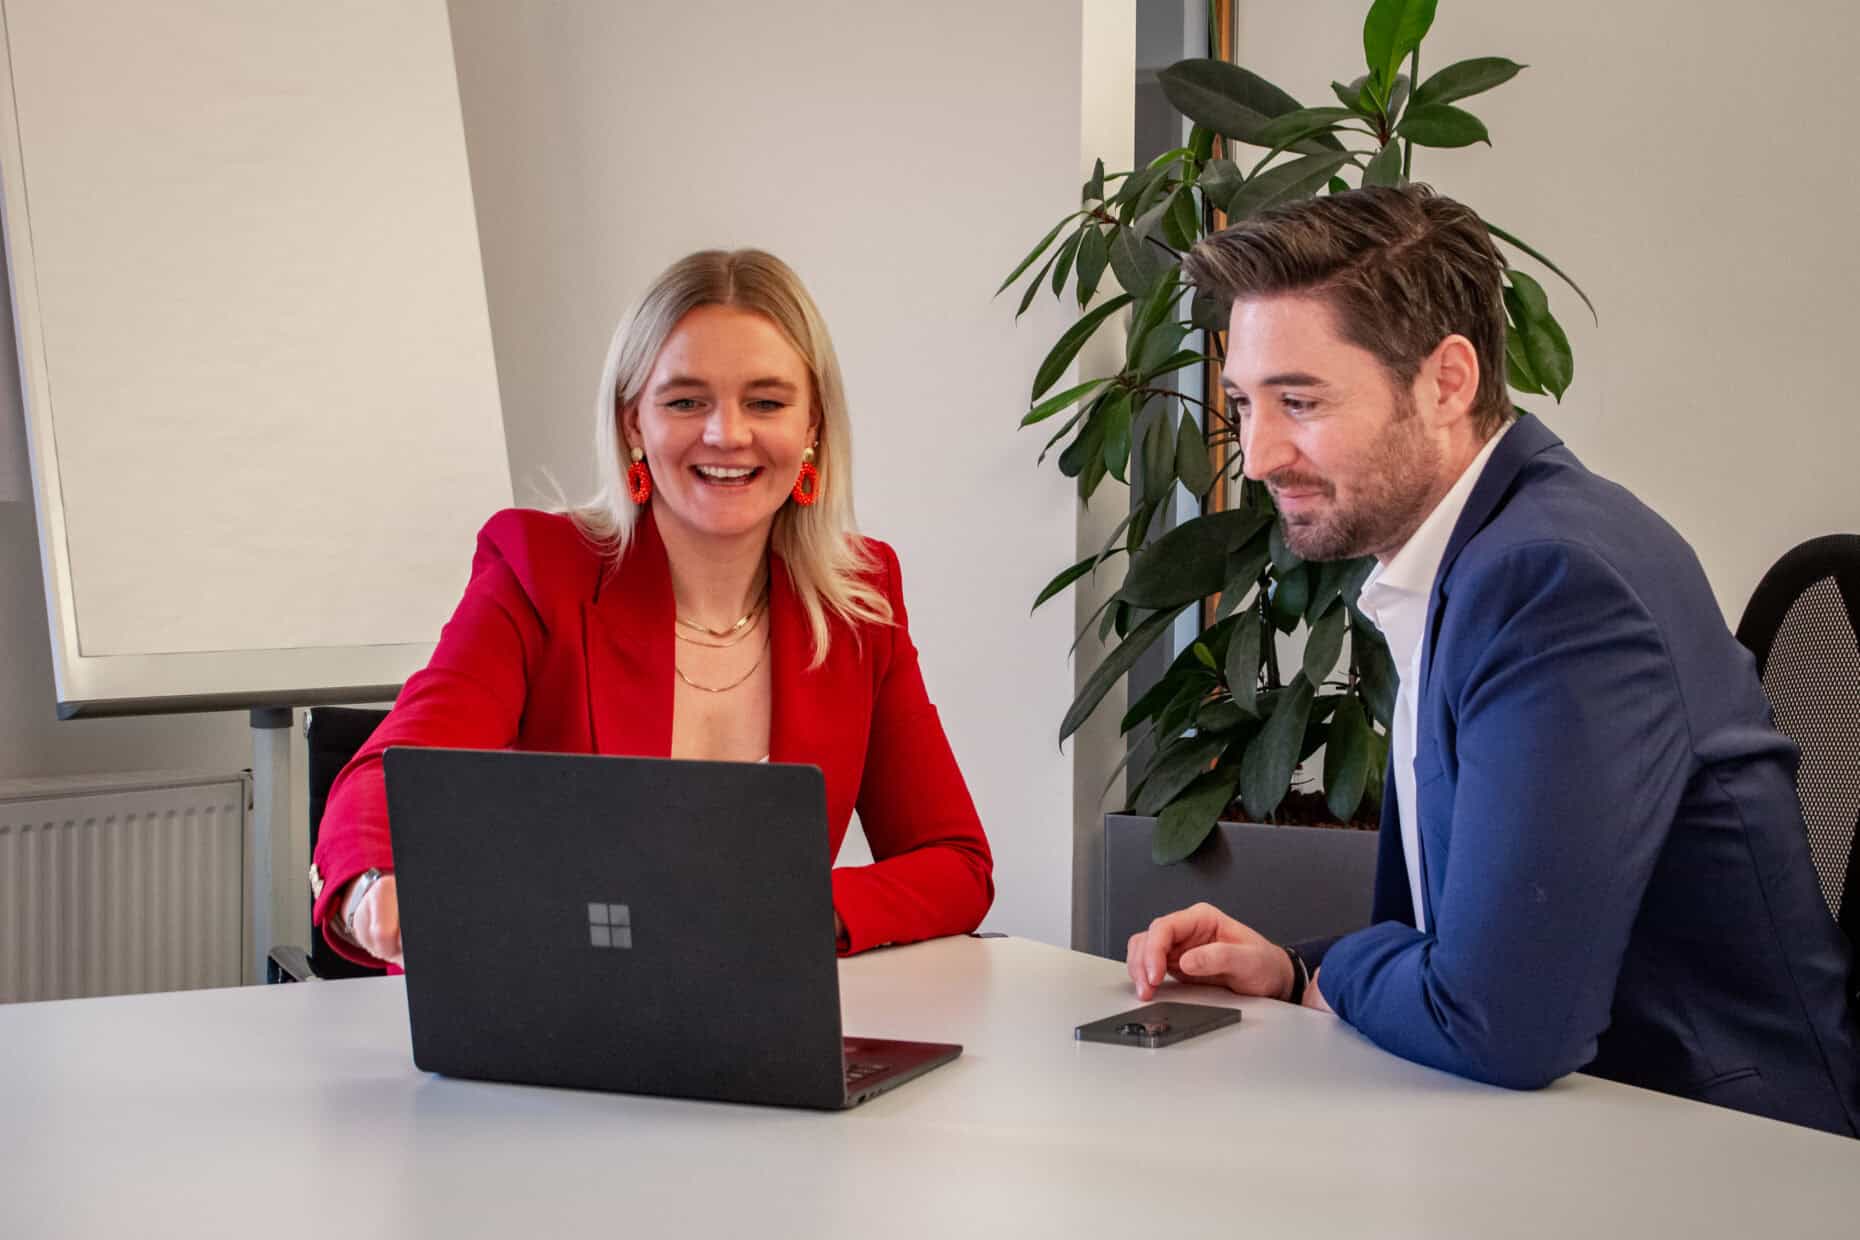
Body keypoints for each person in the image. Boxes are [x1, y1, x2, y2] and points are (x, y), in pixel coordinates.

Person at [1126, 185, 1860, 1136]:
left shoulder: (1548, 579)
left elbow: (1505, 1024)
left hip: (1717, 1154)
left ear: (1447, 381)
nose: (1258, 455)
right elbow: (1488, 949)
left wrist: (1335, 975)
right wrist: (1296, 969)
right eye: (1244, 405)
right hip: (1587, 1118)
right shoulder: (1493, 546)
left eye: (1300, 402)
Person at [309, 249, 993, 967]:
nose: (727, 434)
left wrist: (796, 911)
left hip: (762, 1027)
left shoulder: (859, 602)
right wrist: (371, 893)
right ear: (633, 421)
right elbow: (390, 771)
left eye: (765, 401)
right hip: (560, 1008)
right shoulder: (541, 570)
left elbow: (954, 862)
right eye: (685, 401)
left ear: (813, 423)